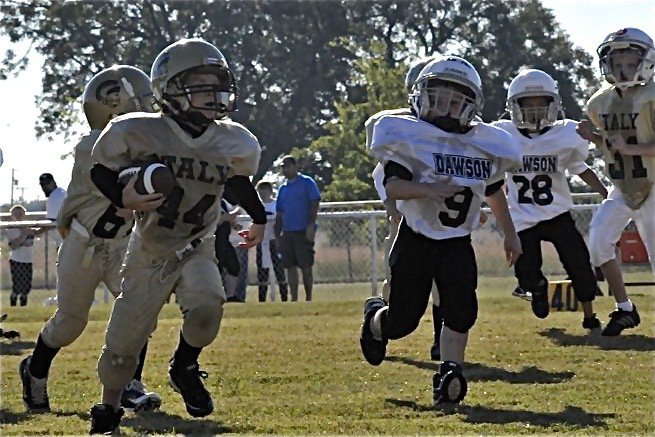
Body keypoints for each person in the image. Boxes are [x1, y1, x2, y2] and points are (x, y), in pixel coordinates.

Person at [87, 38, 265, 434]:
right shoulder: (138, 129)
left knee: (208, 307)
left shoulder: (234, 140)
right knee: (123, 346)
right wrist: (122, 194)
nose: (213, 95)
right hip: (149, 248)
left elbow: (234, 181)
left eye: (216, 86)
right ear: (169, 88)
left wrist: (259, 217)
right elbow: (100, 169)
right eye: (201, 86)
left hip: (197, 244)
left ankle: (184, 366)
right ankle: (108, 408)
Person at [360, 55, 522, 407]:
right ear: (422, 96)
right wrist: (429, 190)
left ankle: (450, 371)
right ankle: (375, 320)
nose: (446, 107)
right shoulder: (409, 136)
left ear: (470, 105)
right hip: (416, 238)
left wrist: (510, 233)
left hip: (456, 241)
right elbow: (394, 187)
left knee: (461, 310)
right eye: (439, 97)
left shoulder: (484, 143)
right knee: (402, 322)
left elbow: (495, 192)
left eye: (455, 100)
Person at [18, 65, 162, 415]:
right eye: (139, 100)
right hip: (86, 243)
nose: (148, 107)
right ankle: (34, 370)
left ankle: (129, 384)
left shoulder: (144, 142)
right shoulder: (92, 146)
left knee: (138, 313)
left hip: (122, 243)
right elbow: (126, 182)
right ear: (112, 105)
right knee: (69, 322)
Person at [494, 68, 607, 329]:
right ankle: (537, 289)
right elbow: (489, 176)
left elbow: (581, 168)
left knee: (579, 264)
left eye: (540, 105)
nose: (534, 112)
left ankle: (589, 316)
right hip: (521, 216)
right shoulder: (502, 134)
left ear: (552, 106)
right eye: (528, 106)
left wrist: (605, 192)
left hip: (557, 212)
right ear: (515, 107)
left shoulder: (565, 134)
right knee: (525, 272)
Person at [577, 27, 655, 336]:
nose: (621, 69)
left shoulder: (652, 96)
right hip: (622, 187)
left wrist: (630, 148)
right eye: (616, 62)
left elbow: (628, 145)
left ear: (645, 62)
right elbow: (613, 144)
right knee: (597, 243)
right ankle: (625, 309)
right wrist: (594, 137)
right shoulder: (599, 103)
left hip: (653, 185)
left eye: (629, 62)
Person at [367, 56, 445, 361]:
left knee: (445, 286)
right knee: (395, 289)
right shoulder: (400, 134)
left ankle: (441, 341)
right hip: (404, 229)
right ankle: (379, 324)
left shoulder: (454, 138)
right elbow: (391, 197)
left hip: (441, 229)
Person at [274, 155, 321, 301]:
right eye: (283, 167)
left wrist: (310, 225)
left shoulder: (307, 183)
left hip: (303, 230)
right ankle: (293, 298)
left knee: (306, 266)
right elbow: (280, 213)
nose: (285, 170)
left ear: (295, 166)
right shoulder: (283, 188)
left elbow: (314, 203)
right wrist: (277, 235)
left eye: (288, 166)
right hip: (288, 232)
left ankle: (308, 298)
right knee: (290, 267)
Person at [255, 181, 288, 302]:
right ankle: (262, 299)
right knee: (262, 272)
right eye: (260, 192)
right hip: (261, 241)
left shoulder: (276, 205)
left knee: (279, 270)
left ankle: (284, 297)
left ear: (270, 191)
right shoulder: (256, 205)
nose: (263, 194)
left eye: (265, 191)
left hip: (275, 241)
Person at [3, 205, 35, 306]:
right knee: (17, 285)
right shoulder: (10, 229)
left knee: (26, 286)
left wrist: (23, 237)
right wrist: (23, 236)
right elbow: (13, 246)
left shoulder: (28, 227)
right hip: (16, 260)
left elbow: (29, 242)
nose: (18, 216)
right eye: (15, 214)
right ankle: (13, 303)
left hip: (28, 260)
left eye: (20, 214)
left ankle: (23, 305)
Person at [38, 173, 67, 247]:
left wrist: (37, 231)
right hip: (66, 241)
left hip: (65, 243)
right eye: (42, 184)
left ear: (53, 182)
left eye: (47, 183)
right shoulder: (60, 192)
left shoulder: (56, 196)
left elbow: (54, 223)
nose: (44, 187)